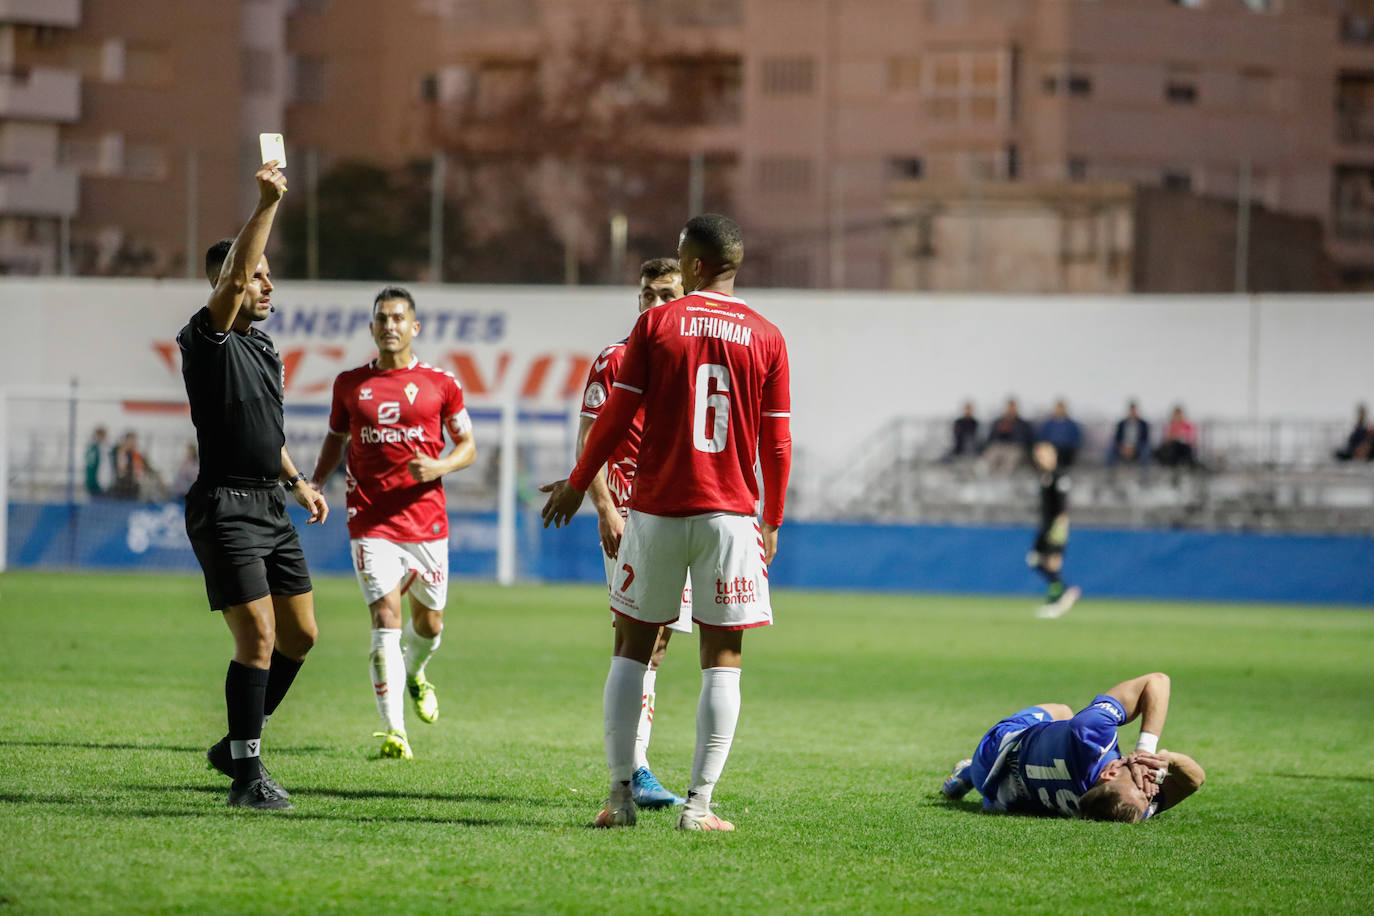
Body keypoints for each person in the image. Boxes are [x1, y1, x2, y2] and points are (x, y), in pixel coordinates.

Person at [542, 214, 792, 832]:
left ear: (696, 264)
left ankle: (620, 799)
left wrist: (579, 482)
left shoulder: (656, 325)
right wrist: (772, 519)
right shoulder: (767, 336)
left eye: (681, 256)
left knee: (631, 649)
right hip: (729, 515)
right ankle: (699, 808)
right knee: (722, 655)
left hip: (653, 510)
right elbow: (777, 443)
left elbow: (614, 416)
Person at [178, 160, 328, 811]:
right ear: (226, 284)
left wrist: (298, 482)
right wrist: (267, 202)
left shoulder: (264, 349)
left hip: (270, 504)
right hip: (225, 507)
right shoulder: (205, 338)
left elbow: (267, 432)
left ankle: (236, 744)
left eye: (269, 275)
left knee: (301, 636)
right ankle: (247, 777)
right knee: (258, 638)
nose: (266, 284)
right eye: (257, 275)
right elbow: (237, 275)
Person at [310, 287, 476, 760]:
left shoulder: (441, 384)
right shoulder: (350, 384)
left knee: (430, 624)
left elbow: (468, 446)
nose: (390, 326)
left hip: (427, 522)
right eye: (382, 318)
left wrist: (440, 466)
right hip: (370, 519)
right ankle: (394, 732)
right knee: (385, 617)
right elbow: (335, 438)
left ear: (414, 327)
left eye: (398, 318)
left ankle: (416, 673)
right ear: (371, 327)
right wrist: (317, 481)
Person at [577, 257, 690, 809]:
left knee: (659, 642)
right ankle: (633, 770)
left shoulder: (693, 361)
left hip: (679, 514)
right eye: (648, 294)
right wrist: (604, 508)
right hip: (629, 515)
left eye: (667, 294)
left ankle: (634, 767)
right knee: (634, 639)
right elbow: (589, 438)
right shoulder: (615, 359)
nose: (655, 303)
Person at [940, 672, 1205, 823]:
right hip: (1001, 796)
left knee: (1063, 712)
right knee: (1062, 723)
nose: (1151, 784)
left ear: (1110, 773)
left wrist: (1146, 749)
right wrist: (1168, 759)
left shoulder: (1089, 735)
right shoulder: (1118, 803)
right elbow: (1194, 780)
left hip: (994, 757)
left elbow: (1157, 680)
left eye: (1140, 782)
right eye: (1148, 794)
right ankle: (967, 774)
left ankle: (966, 772)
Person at [1027, 441, 1079, 618]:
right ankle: (1064, 591)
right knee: (1035, 560)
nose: (1040, 459)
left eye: (1043, 455)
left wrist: (1059, 528)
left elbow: (1062, 506)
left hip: (1055, 526)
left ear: (1053, 455)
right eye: (1038, 456)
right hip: (1045, 525)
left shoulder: (1059, 477)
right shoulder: (1045, 476)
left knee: (1051, 563)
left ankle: (1056, 599)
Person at [981, 398, 1033, 473]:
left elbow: (1027, 439)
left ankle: (1004, 476)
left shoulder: (1022, 424)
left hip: (1015, 447)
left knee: (1011, 458)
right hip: (999, 446)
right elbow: (991, 438)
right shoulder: (998, 422)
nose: (1010, 409)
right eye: (1009, 407)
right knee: (991, 455)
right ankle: (990, 476)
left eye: (1012, 407)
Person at [1037, 399, 1081, 468]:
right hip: (1050, 449)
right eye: (1058, 408)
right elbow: (1042, 437)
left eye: (1062, 408)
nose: (1060, 410)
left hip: (1066, 449)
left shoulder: (1071, 424)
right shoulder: (1049, 424)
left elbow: (1076, 438)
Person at [1108, 400, 1151, 466]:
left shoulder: (1143, 424)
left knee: (1145, 450)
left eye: (1134, 410)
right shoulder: (1121, 424)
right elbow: (1117, 438)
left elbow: (1145, 438)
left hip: (1138, 446)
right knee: (1111, 448)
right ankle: (1110, 470)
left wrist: (1133, 448)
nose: (1132, 412)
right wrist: (1123, 447)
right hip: (1123, 446)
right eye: (1131, 410)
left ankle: (1144, 470)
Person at [1155, 405, 1199, 469]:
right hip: (1173, 446)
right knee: (1173, 446)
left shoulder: (1187, 425)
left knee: (1184, 448)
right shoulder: (1170, 425)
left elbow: (1192, 438)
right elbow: (1165, 438)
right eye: (1176, 415)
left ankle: (1189, 466)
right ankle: (1172, 465)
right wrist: (1173, 437)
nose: (1178, 416)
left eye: (1179, 414)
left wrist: (1182, 437)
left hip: (1184, 446)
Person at [83, 426, 112, 498]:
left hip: (105, 484)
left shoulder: (106, 449)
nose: (104, 438)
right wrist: (91, 483)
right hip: (96, 484)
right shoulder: (93, 449)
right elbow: (90, 466)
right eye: (102, 436)